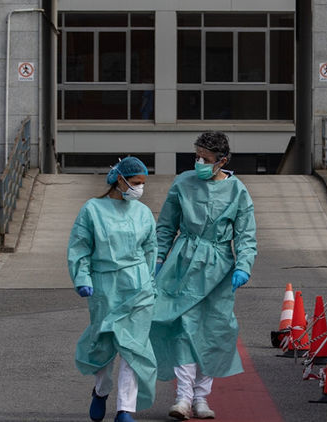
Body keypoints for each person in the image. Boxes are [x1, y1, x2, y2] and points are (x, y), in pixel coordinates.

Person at [150, 132, 258, 420]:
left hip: (218, 268)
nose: (198, 163)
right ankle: (183, 397)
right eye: (196, 157)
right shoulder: (183, 183)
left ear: (222, 161)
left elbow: (245, 234)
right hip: (183, 263)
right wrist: (158, 258)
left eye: (205, 159)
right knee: (184, 328)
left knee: (212, 331)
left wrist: (243, 265)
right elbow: (166, 225)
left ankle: (201, 397)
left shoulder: (237, 191)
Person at [67, 157, 158, 422]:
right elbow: (80, 247)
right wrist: (82, 277)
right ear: (120, 179)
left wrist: (150, 282)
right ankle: (101, 390)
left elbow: (150, 249)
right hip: (105, 286)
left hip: (138, 287)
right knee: (103, 345)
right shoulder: (92, 210)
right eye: (136, 182)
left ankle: (125, 409)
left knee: (134, 349)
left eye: (143, 183)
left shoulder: (143, 213)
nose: (140, 188)